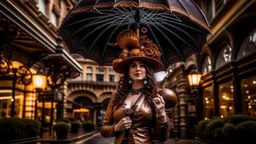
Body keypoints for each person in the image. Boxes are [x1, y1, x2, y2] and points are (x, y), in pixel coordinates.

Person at [100, 29, 173, 144]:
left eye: (142, 66)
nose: (138, 69)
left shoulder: (154, 96)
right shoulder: (117, 95)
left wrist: (162, 115)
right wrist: (116, 128)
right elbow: (104, 129)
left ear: (147, 71)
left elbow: (162, 138)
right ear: (128, 72)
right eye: (133, 65)